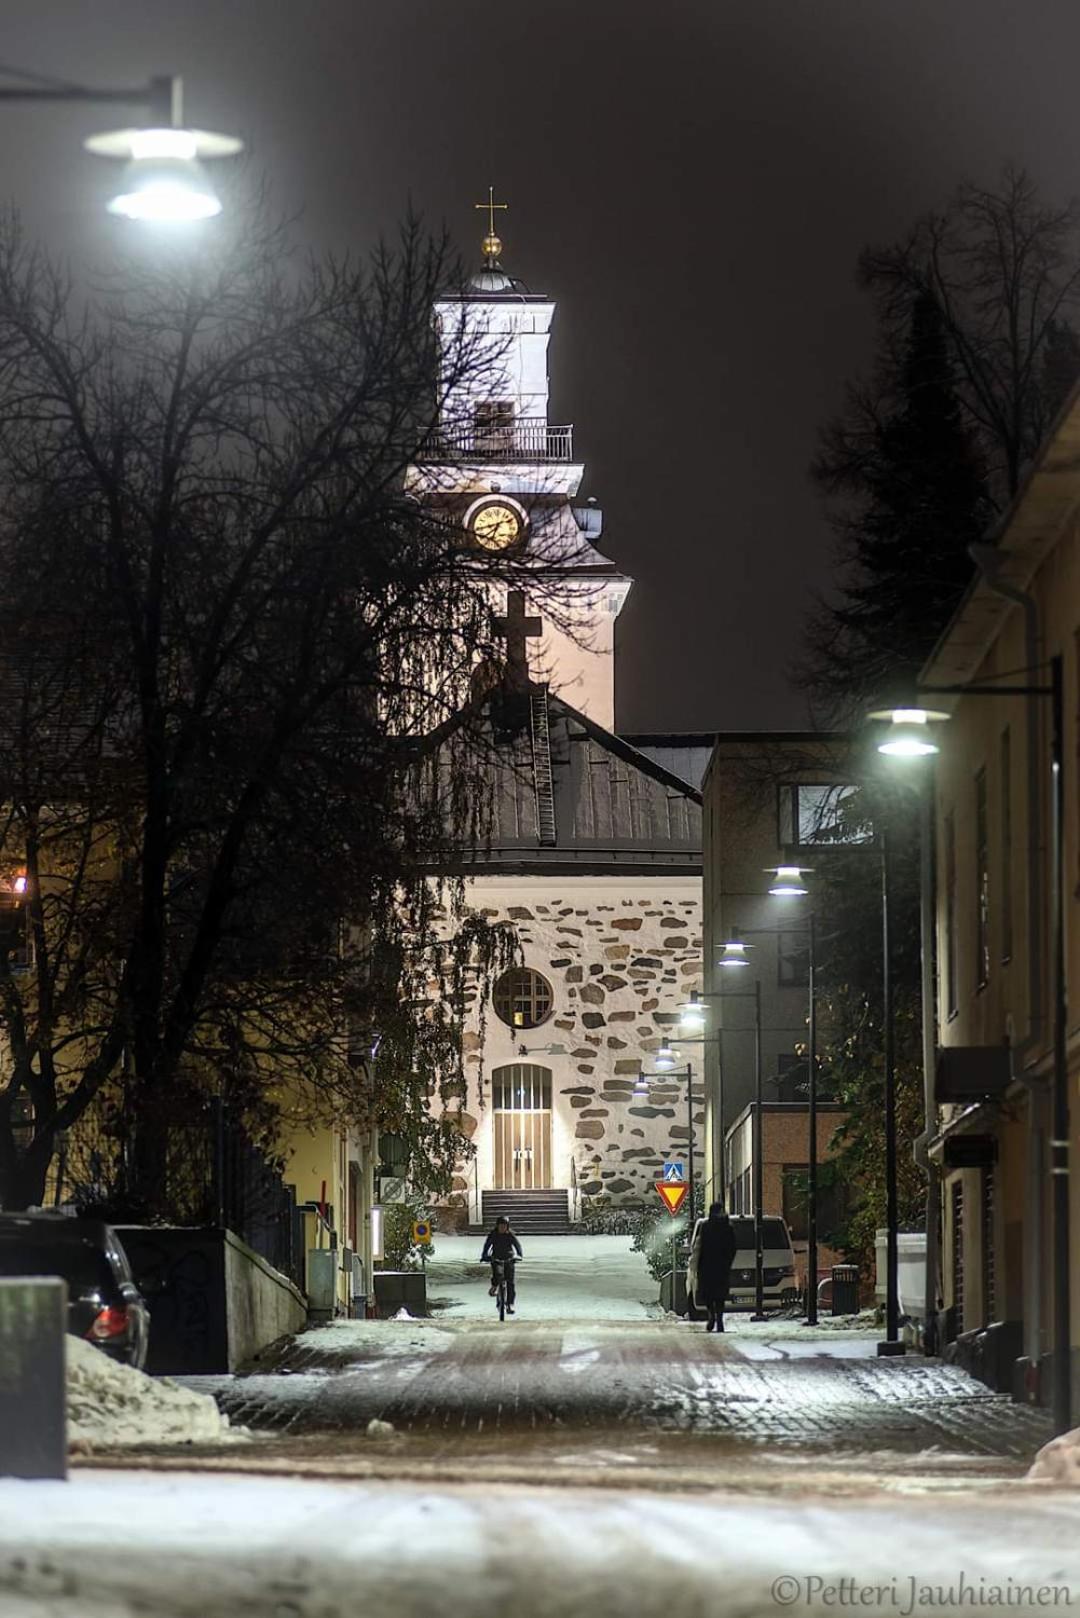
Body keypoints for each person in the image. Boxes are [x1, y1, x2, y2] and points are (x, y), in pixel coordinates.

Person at [687, 1202, 737, 1332]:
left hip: (707, 1266)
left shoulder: (706, 1227)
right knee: (720, 1295)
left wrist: (697, 1264)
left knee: (708, 1294)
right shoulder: (728, 1227)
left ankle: (712, 1316)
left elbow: (700, 1247)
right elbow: (733, 1248)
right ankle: (719, 1318)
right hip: (722, 1266)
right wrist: (728, 1262)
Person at [481, 1216, 523, 1313]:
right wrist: (484, 1255)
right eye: (501, 1226)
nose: (502, 1228)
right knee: (497, 1274)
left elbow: (517, 1245)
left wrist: (519, 1255)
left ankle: (510, 1304)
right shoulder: (493, 1235)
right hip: (496, 1258)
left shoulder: (510, 1235)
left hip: (509, 1259)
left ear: (507, 1227)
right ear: (497, 1226)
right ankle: (495, 1286)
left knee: (510, 1282)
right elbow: (487, 1245)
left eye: (504, 1226)